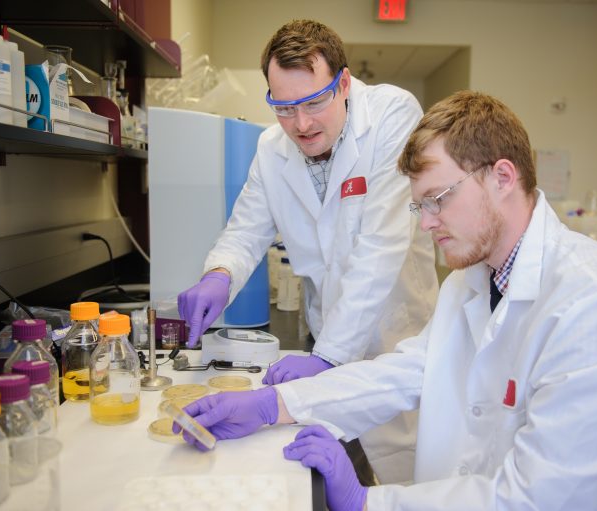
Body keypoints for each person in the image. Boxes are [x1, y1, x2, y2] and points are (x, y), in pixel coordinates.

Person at [174, 91, 597, 510]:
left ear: (502, 176)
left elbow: (539, 497)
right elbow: (406, 373)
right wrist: (276, 405)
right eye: (419, 206)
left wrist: (369, 503)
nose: (426, 224)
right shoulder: (472, 281)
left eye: (438, 200)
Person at [176, 19, 438, 484]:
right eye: (284, 108)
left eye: (314, 102)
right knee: (335, 471)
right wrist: (219, 273)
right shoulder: (271, 147)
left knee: (402, 474)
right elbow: (245, 231)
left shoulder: (391, 115)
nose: (301, 124)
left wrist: (330, 357)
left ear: (344, 83)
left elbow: (381, 247)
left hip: (395, 338)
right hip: (327, 340)